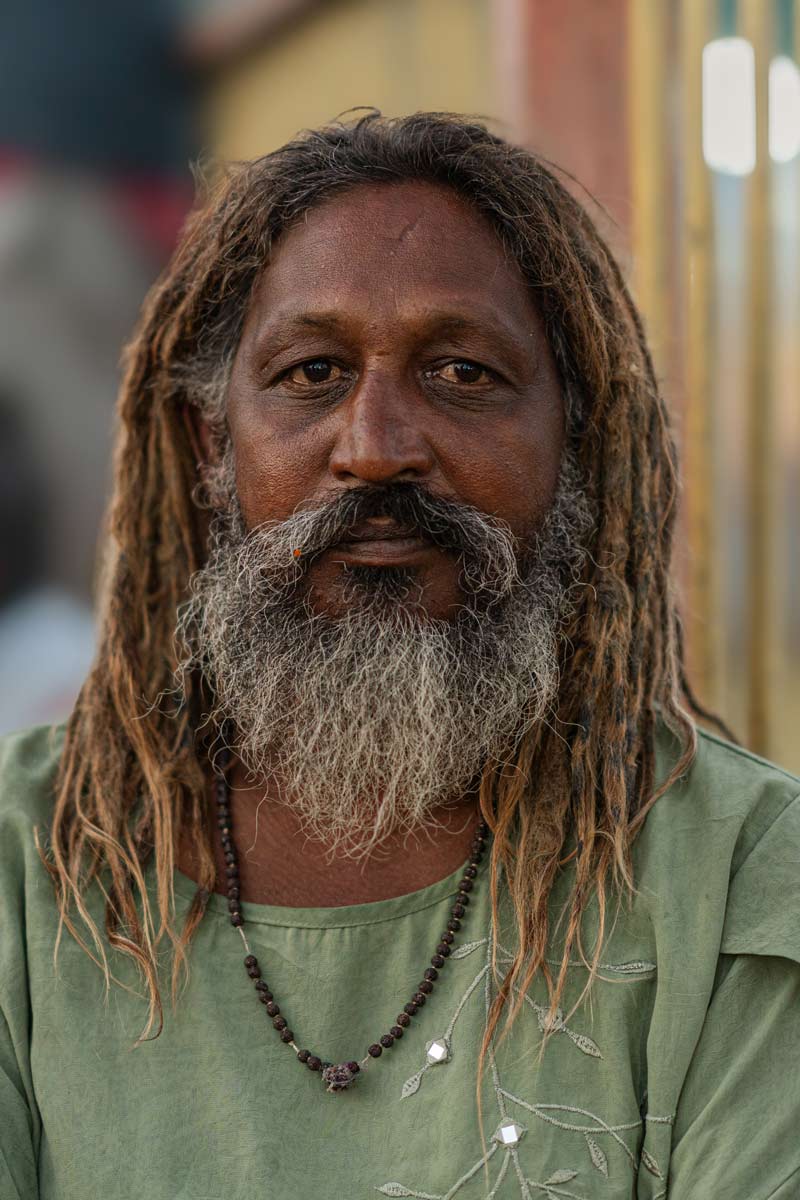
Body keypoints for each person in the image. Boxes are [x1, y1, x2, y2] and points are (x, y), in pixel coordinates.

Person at [0, 112, 797, 1200]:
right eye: (312, 371)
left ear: (575, 436)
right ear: (208, 446)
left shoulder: (742, 881)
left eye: (463, 373)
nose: (375, 448)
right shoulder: (22, 868)